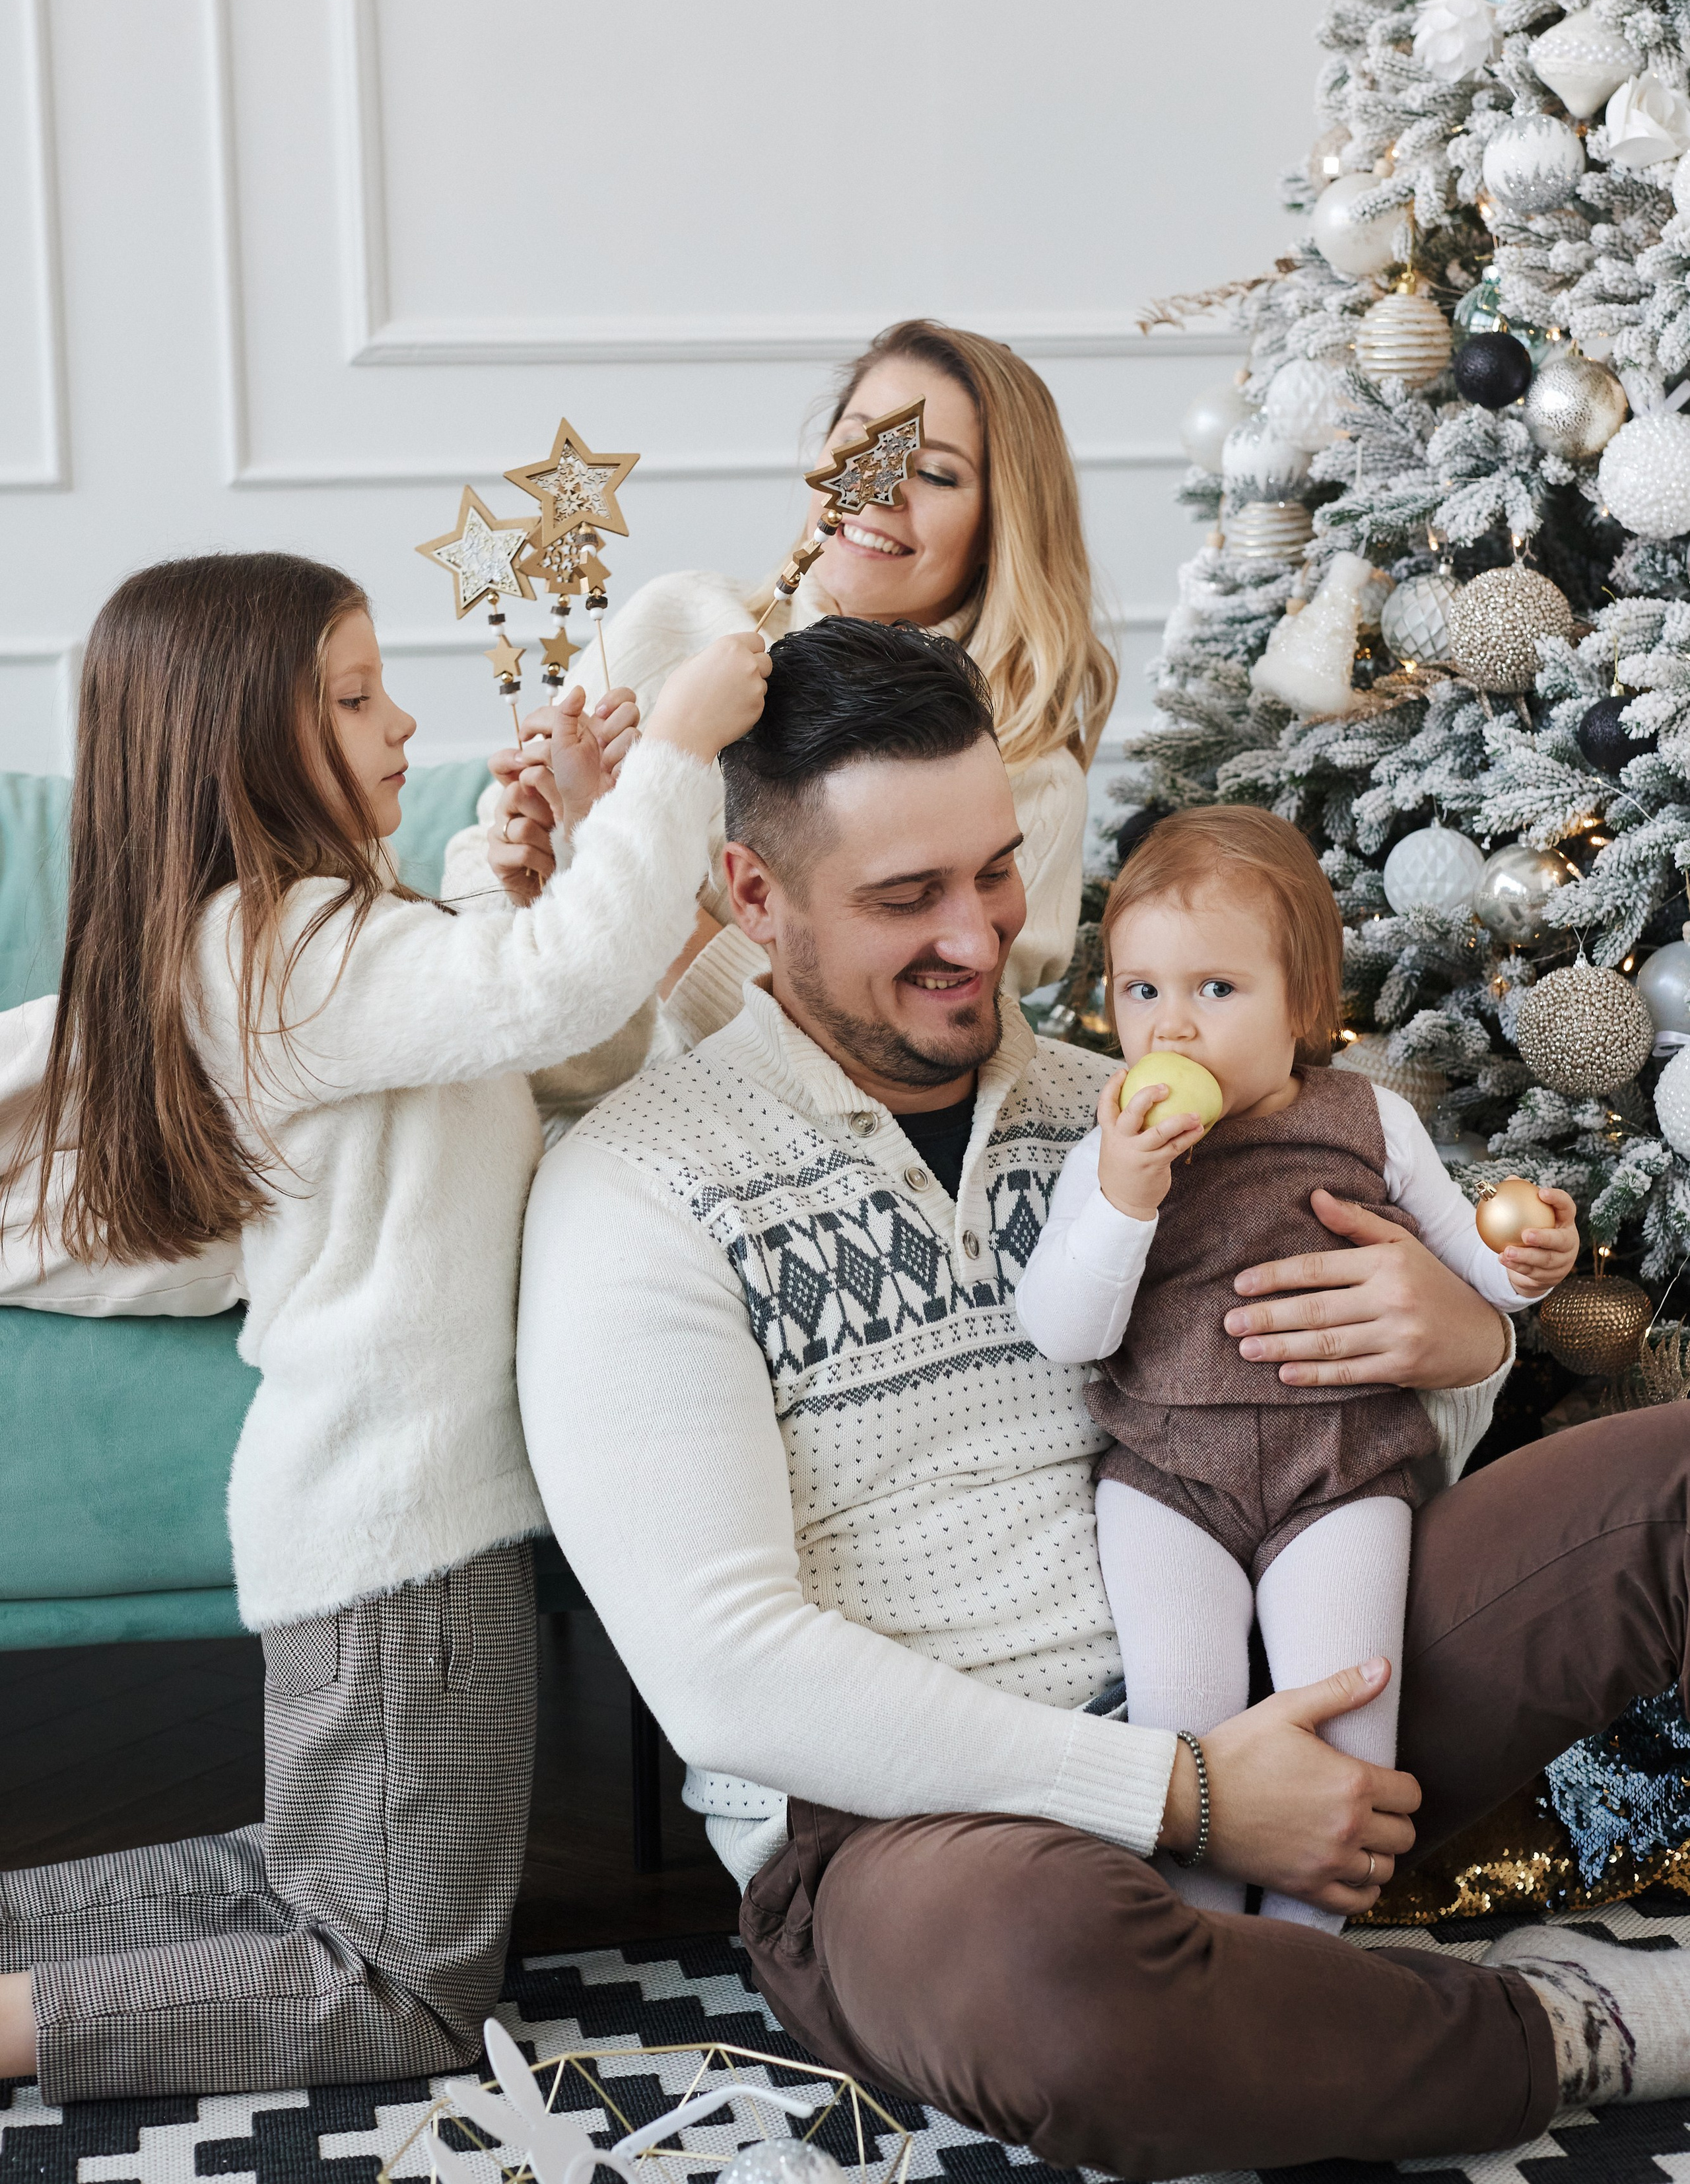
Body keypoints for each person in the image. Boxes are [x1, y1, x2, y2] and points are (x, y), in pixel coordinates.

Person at [518, 611, 1690, 2179]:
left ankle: (1293, 1996)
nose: (979, 933)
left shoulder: (1134, 1100)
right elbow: (730, 1670)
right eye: (902, 897)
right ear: (752, 895)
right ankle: (1562, 2026)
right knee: (1058, 1993)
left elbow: (1331, 1460)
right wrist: (1185, 1791)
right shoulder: (636, 1189)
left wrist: (1455, 1352)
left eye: (992, 868)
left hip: (1299, 1674)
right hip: (921, 1829)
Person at [0, 552, 768, 2099]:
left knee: (309, 1873)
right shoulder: (281, 949)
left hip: (369, 1516)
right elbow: (543, 994)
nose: (401, 721)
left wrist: (518, 856)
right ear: (238, 740)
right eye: (354, 697)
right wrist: (678, 753)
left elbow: (547, 1037)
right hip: (396, 1528)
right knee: (398, 1989)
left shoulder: (318, 938)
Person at [1013, 805, 1580, 1932]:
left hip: (1341, 1470)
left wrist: (1525, 1261)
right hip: (1169, 1476)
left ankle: (1313, 1955)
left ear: (1304, 1007)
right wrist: (1126, 1197)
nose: (1171, 1028)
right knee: (1186, 1712)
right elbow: (1063, 1326)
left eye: (1216, 990)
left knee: (1350, 1710)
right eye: (1141, 992)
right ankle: (1205, 1941)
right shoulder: (1110, 1146)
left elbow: (1474, 1268)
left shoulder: (1366, 1119)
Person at [442, 318, 1116, 1055]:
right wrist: (523, 875)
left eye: (934, 473)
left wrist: (633, 812)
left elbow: (895, 1058)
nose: (878, 487)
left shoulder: (1026, 773)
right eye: (857, 442)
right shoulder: (675, 624)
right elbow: (479, 900)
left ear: (1001, 523)